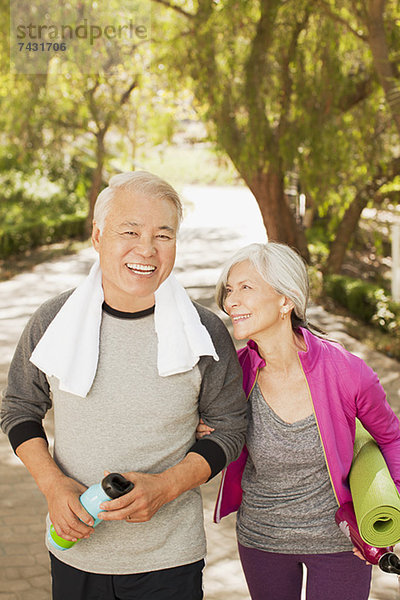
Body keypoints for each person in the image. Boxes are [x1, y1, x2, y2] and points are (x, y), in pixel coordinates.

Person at [0, 171, 247, 600]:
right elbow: (19, 408)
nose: (147, 250)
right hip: (75, 549)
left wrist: (167, 486)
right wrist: (53, 486)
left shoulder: (204, 331)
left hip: (169, 560)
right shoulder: (53, 320)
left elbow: (231, 426)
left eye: (163, 235)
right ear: (98, 236)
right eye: (129, 231)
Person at [197, 241, 400, 600]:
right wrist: (206, 430)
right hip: (262, 539)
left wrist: (389, 510)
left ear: (285, 300)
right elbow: (205, 429)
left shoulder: (347, 372)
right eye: (229, 290)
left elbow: (391, 437)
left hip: (339, 541)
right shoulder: (234, 373)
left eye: (246, 287)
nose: (231, 302)